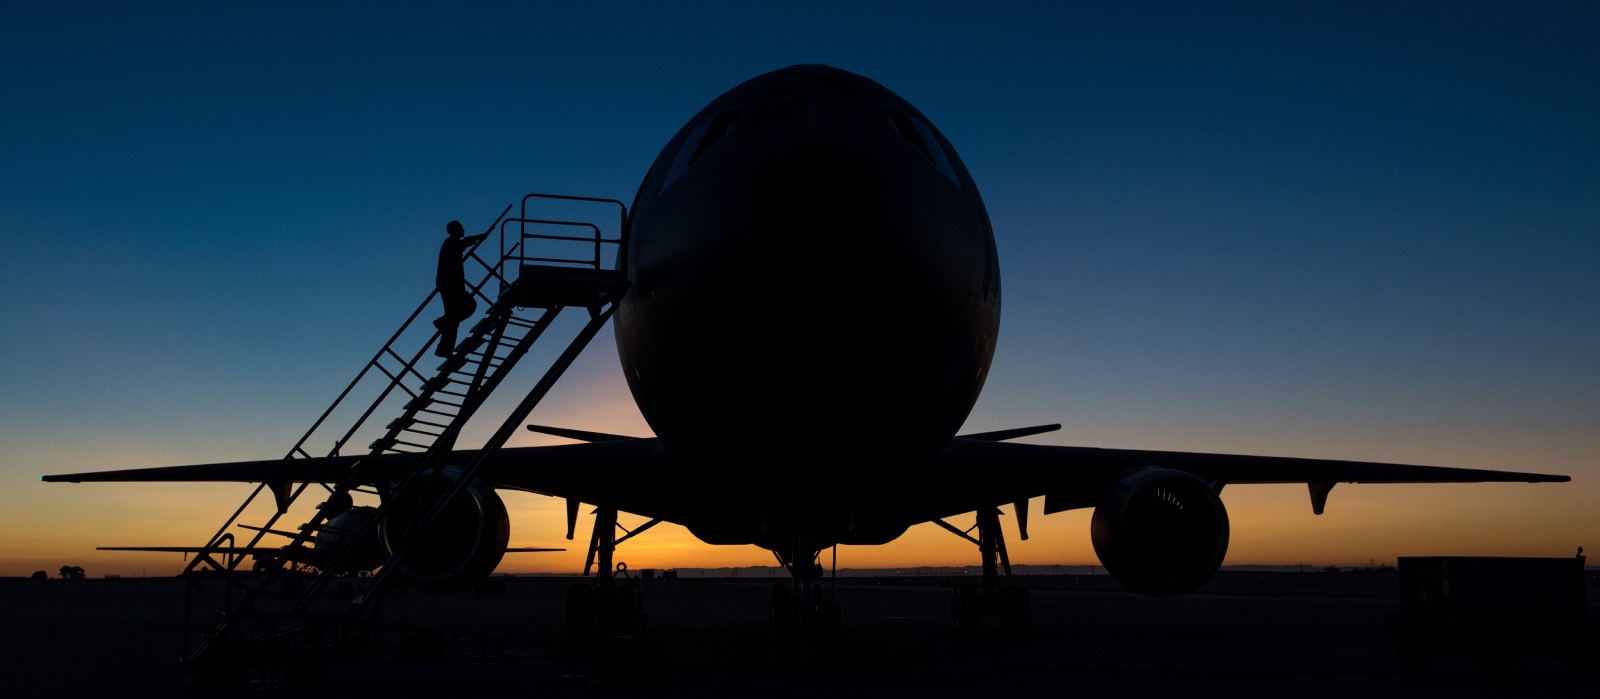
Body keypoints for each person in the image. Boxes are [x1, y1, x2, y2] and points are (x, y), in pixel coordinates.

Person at [433, 220, 488, 357]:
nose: (464, 229)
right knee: (465, 307)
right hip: (450, 284)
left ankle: (443, 348)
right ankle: (442, 323)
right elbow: (463, 243)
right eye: (461, 228)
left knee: (454, 318)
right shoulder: (451, 241)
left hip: (451, 284)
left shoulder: (451, 243)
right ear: (455, 230)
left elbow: (463, 245)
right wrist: (479, 237)